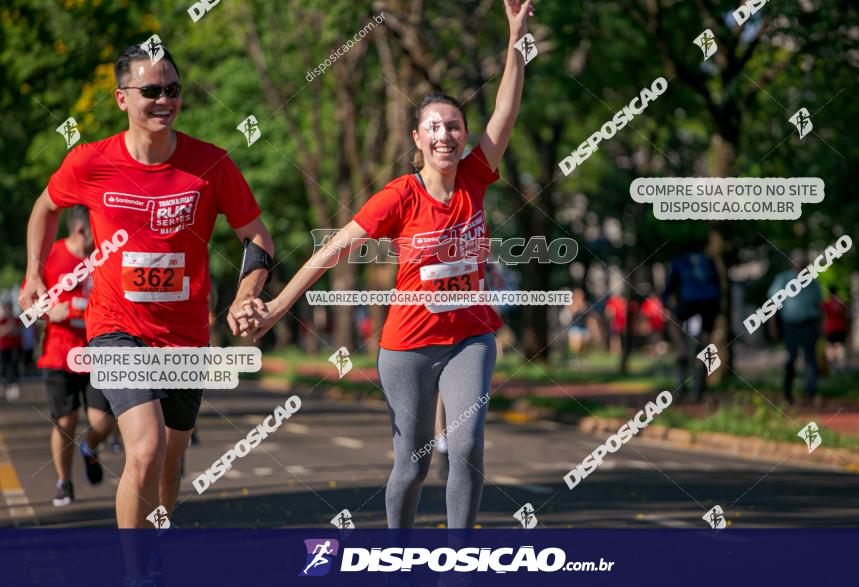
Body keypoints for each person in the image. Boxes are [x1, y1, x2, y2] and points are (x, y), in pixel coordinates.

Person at [236, 0, 533, 529]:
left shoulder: (476, 175)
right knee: (412, 466)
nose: (445, 135)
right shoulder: (398, 197)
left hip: (471, 336)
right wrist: (279, 307)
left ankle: (458, 558)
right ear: (417, 140)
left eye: (454, 126)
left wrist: (515, 39)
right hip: (407, 346)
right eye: (434, 127)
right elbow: (332, 249)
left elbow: (506, 111)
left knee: (465, 446)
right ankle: (397, 551)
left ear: (464, 137)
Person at [19, 43, 274, 536]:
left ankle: (155, 549)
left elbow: (257, 237)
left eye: (173, 90)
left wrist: (246, 294)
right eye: (151, 90)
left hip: (184, 336)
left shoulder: (211, 164)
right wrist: (34, 272)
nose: (164, 100)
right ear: (121, 98)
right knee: (146, 448)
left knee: (171, 460)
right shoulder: (91, 162)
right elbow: (45, 207)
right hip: (116, 330)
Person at [26, 206, 116, 506]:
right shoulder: (52, 255)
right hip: (59, 354)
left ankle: (90, 448)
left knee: (103, 422)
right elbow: (27, 300)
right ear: (81, 231)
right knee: (66, 421)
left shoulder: (103, 258)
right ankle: (64, 482)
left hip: (97, 352)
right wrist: (49, 310)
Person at [662, 242, 722, 401]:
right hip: (711, 302)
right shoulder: (708, 259)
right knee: (705, 342)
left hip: (691, 302)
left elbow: (670, 286)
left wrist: (664, 301)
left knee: (672, 320)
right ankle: (699, 389)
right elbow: (717, 283)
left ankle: (681, 349)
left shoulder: (680, 261)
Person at [768, 250, 822, 402]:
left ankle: (810, 393)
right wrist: (773, 326)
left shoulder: (813, 281)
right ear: (791, 263)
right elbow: (773, 303)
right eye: (797, 262)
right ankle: (787, 392)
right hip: (790, 325)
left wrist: (821, 327)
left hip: (809, 324)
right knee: (791, 358)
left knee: (810, 359)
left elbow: (819, 306)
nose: (800, 265)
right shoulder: (783, 279)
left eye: (803, 262)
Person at [0, 298, 22, 402]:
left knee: (14, 366)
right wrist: (9, 327)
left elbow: (18, 331)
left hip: (15, 347)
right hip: (3, 347)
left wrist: (9, 328)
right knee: (4, 367)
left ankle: (13, 386)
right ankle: (6, 384)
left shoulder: (17, 319)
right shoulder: (2, 320)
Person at [821, 286, 847, 372]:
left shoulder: (827, 303)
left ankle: (831, 365)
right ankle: (841, 366)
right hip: (841, 328)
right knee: (839, 346)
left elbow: (821, 310)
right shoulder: (841, 301)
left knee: (830, 346)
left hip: (830, 328)